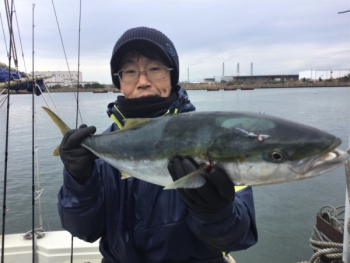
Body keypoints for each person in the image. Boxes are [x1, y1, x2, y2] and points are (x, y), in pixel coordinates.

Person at [58, 27, 258, 263]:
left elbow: (239, 237)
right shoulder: (104, 149)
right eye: (130, 71)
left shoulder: (211, 139)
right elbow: (85, 231)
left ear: (172, 77)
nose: (143, 81)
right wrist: (79, 181)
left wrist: (216, 213)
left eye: (155, 69)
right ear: (119, 82)